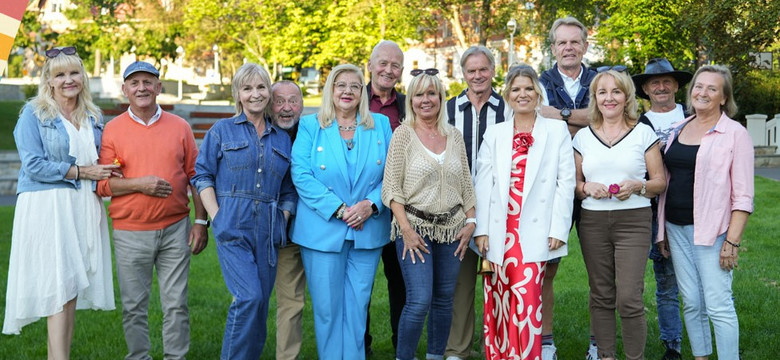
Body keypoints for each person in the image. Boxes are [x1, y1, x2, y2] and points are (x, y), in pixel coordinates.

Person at [2, 46, 117, 359]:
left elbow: (104, 157)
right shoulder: (34, 113)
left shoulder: (93, 116)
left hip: (82, 204)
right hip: (48, 206)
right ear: (48, 81)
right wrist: (81, 171)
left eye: (74, 72)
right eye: (60, 74)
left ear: (83, 77)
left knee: (70, 289)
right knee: (58, 285)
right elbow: (33, 165)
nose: (69, 80)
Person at [97, 61, 209, 360]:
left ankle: (176, 356)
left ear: (159, 87)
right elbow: (104, 186)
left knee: (176, 304)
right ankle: (138, 356)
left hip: (175, 229)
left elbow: (196, 176)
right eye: (135, 83)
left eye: (148, 82)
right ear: (125, 90)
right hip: (130, 231)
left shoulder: (180, 127)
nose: (142, 88)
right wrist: (140, 184)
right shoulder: (113, 130)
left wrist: (200, 221)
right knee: (134, 306)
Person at [192, 63, 297, 358]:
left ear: (269, 93)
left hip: (269, 232)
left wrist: (283, 218)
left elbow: (288, 190)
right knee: (248, 297)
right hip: (233, 226)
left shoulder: (282, 139)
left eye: (261, 87)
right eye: (247, 88)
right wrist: (217, 216)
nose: (255, 94)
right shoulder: (221, 131)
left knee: (261, 304)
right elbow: (202, 175)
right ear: (237, 94)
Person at [290, 64, 392, 360]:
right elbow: (301, 174)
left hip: (367, 230)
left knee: (358, 307)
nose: (347, 91)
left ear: (363, 92)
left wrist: (370, 204)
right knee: (327, 310)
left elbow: (392, 173)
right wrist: (339, 209)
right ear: (330, 91)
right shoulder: (311, 126)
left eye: (355, 86)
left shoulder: (380, 125)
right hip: (322, 232)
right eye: (340, 85)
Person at [473, 65, 575, 359]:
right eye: (516, 89)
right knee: (499, 301)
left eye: (528, 88)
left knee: (527, 299)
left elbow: (565, 183)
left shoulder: (555, 130)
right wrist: (480, 230)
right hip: (498, 229)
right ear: (507, 95)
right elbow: (483, 182)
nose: (523, 94)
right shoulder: (496, 133)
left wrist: (558, 228)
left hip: (534, 230)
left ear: (538, 92)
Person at [657, 65, 753, 360]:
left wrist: (732, 242)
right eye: (699, 86)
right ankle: (700, 356)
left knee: (718, 303)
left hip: (713, 232)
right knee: (692, 302)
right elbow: (668, 179)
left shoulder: (735, 134)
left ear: (724, 98)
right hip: (676, 226)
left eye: (712, 88)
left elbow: (744, 196)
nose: (703, 92)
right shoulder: (679, 129)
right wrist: (661, 230)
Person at [383, 68, 477, 360]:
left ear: (441, 98)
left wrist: (471, 221)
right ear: (411, 100)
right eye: (419, 94)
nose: (426, 100)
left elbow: (466, 185)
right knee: (419, 300)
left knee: (444, 300)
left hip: (452, 229)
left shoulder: (454, 136)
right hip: (415, 228)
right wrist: (407, 231)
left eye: (432, 93)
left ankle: (436, 356)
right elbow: (391, 189)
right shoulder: (403, 135)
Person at [572, 68, 666, 360]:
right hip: (593, 223)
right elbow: (573, 186)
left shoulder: (643, 133)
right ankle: (606, 356)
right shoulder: (583, 138)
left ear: (627, 96)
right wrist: (587, 187)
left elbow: (659, 182)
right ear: (595, 98)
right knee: (601, 294)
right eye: (602, 92)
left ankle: (634, 357)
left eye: (616, 91)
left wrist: (638, 186)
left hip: (633, 222)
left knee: (629, 297)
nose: (609, 98)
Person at [537, 16, 599, 359]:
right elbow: (534, 116)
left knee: (600, 272)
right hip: (553, 184)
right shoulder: (538, 81)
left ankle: (596, 342)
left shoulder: (600, 79)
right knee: (547, 266)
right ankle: (545, 342)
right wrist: (583, 116)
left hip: (595, 183)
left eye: (575, 42)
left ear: (585, 46)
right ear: (553, 48)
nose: (568, 48)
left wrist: (559, 113)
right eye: (562, 42)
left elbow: (603, 117)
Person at [444, 45, 508, 360]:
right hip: (457, 210)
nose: (478, 75)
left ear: (492, 70)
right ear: (463, 74)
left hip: (501, 208)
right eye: (471, 71)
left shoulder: (509, 108)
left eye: (483, 69)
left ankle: (500, 344)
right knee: (460, 283)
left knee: (501, 279)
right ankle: (458, 349)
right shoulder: (448, 109)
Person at [631, 57, 693, 360]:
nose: (661, 86)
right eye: (654, 82)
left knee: (674, 283)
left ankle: (675, 343)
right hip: (643, 209)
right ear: (645, 88)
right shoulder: (635, 124)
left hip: (682, 209)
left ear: (676, 85)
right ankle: (654, 345)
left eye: (667, 80)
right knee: (635, 282)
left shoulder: (694, 118)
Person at [365, 40, 407, 354]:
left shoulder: (410, 105)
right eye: (383, 63)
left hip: (401, 211)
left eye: (395, 65)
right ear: (370, 65)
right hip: (361, 209)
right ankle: (359, 346)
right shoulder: (351, 98)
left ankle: (401, 347)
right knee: (360, 286)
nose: (388, 70)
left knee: (401, 284)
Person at [270, 80, 307, 360]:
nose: (286, 108)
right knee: (257, 299)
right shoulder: (262, 134)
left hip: (310, 230)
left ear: (302, 105)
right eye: (279, 101)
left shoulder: (312, 132)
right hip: (267, 231)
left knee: (294, 302)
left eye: (292, 101)